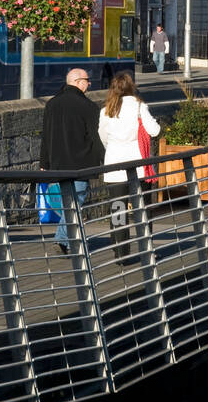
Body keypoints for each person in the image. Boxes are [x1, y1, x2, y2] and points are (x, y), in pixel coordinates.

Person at [40, 68, 105, 256]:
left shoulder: (51, 104)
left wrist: (44, 162)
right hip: (80, 164)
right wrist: (102, 160)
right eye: (87, 80)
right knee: (75, 202)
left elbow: (46, 136)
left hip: (57, 163)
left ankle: (70, 243)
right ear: (78, 82)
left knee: (67, 204)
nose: (89, 84)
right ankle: (63, 240)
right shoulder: (89, 107)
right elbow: (94, 137)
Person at [98, 71, 160, 264]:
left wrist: (114, 148)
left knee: (118, 210)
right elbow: (155, 130)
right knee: (142, 210)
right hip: (139, 167)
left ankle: (120, 252)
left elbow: (103, 137)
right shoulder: (139, 107)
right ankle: (146, 251)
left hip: (115, 166)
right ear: (131, 87)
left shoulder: (106, 110)